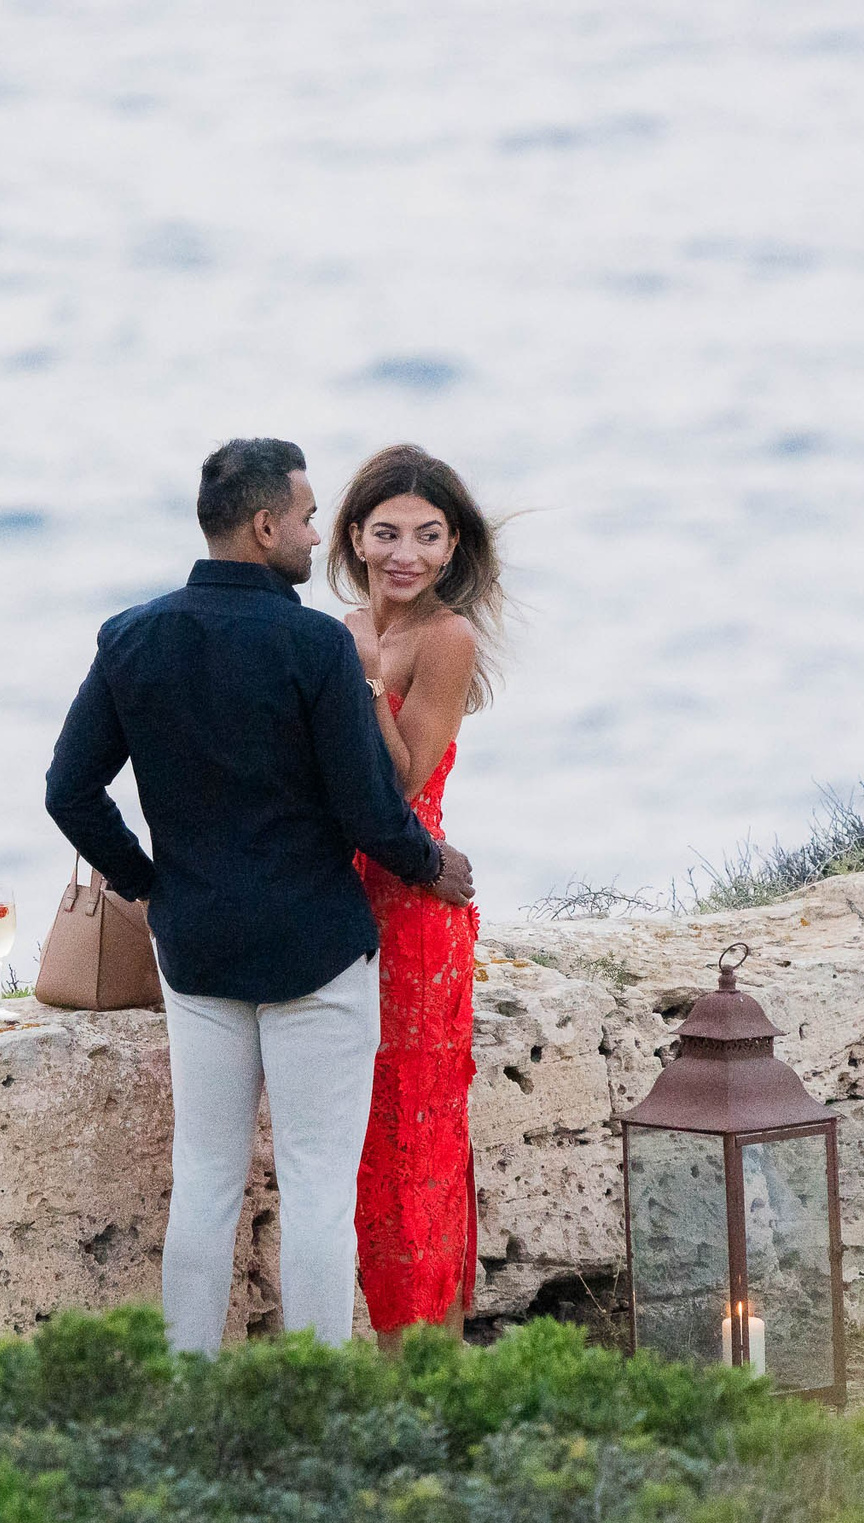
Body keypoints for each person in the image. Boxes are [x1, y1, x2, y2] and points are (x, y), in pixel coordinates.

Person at [45, 437, 476, 1354]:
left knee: (203, 1181)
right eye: (311, 517)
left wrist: (149, 884)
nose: (318, 534)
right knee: (319, 1187)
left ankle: (193, 1391)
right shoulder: (314, 643)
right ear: (265, 524)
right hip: (315, 952)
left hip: (195, 952)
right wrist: (428, 864)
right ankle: (319, 1399)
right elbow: (368, 809)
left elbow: (68, 791)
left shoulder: (131, 637)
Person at [330, 444, 504, 1351]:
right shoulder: (346, 624)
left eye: (428, 536)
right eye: (388, 531)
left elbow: (399, 784)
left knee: (419, 1134)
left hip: (416, 915)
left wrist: (358, 681)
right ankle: (398, 1348)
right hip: (341, 906)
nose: (407, 552)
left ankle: (425, 1353)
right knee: (363, 1136)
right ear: (354, 535)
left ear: (451, 548)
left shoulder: (446, 639)